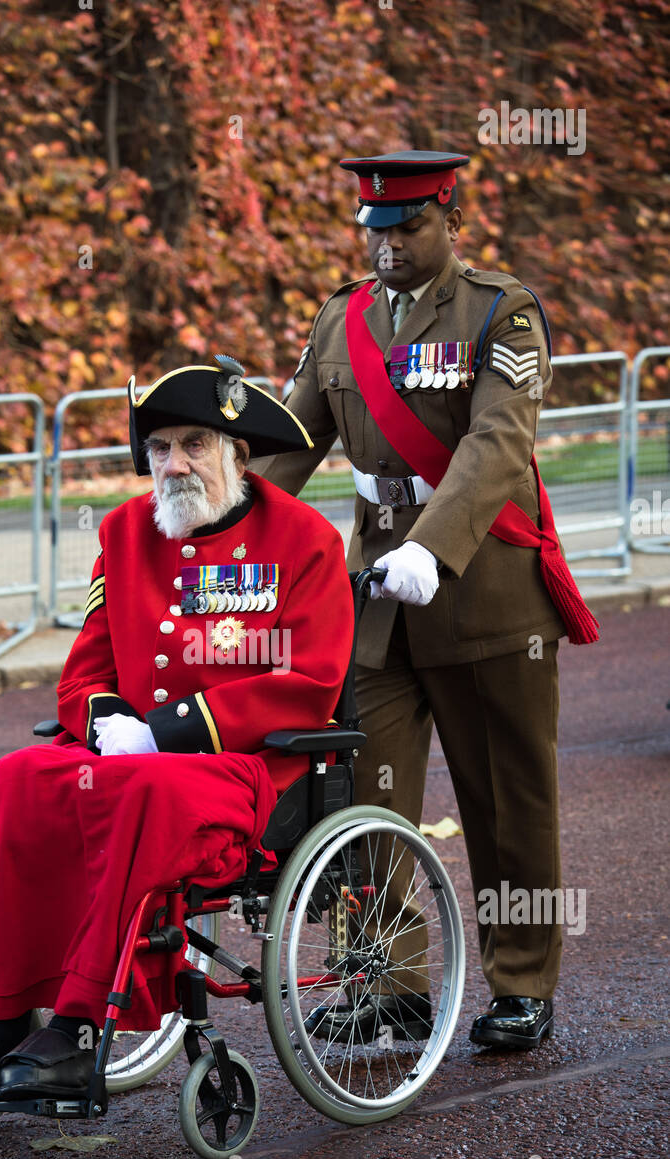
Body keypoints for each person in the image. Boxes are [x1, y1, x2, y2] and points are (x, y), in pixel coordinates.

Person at [0, 358, 354, 1102]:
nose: (173, 464)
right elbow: (84, 670)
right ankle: (1, 1024)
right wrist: (104, 719)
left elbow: (311, 683)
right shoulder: (125, 530)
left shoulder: (306, 540)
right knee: (23, 775)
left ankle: (71, 1030)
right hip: (134, 761)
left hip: (245, 769)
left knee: (140, 786)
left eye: (195, 444)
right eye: (160, 448)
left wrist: (165, 731)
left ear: (236, 451)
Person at [254, 151, 598, 1051]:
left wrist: (430, 549)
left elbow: (495, 444)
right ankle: (391, 980)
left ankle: (522, 980)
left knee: (505, 799)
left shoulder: (501, 312)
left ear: (451, 219)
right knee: (367, 799)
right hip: (376, 603)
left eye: (408, 228)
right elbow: (288, 447)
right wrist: (210, 520)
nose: (389, 247)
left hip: (481, 594)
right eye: (377, 230)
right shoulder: (342, 319)